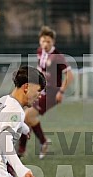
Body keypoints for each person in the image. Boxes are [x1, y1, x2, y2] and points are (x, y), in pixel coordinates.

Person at [18, 26, 74, 159]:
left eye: (48, 41)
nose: (45, 44)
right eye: (43, 41)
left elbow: (70, 76)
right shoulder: (40, 52)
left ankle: (40, 143)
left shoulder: (57, 57)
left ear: (53, 42)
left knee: (28, 116)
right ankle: (21, 150)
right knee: (25, 117)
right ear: (39, 41)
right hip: (41, 90)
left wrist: (61, 92)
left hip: (52, 93)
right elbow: (40, 72)